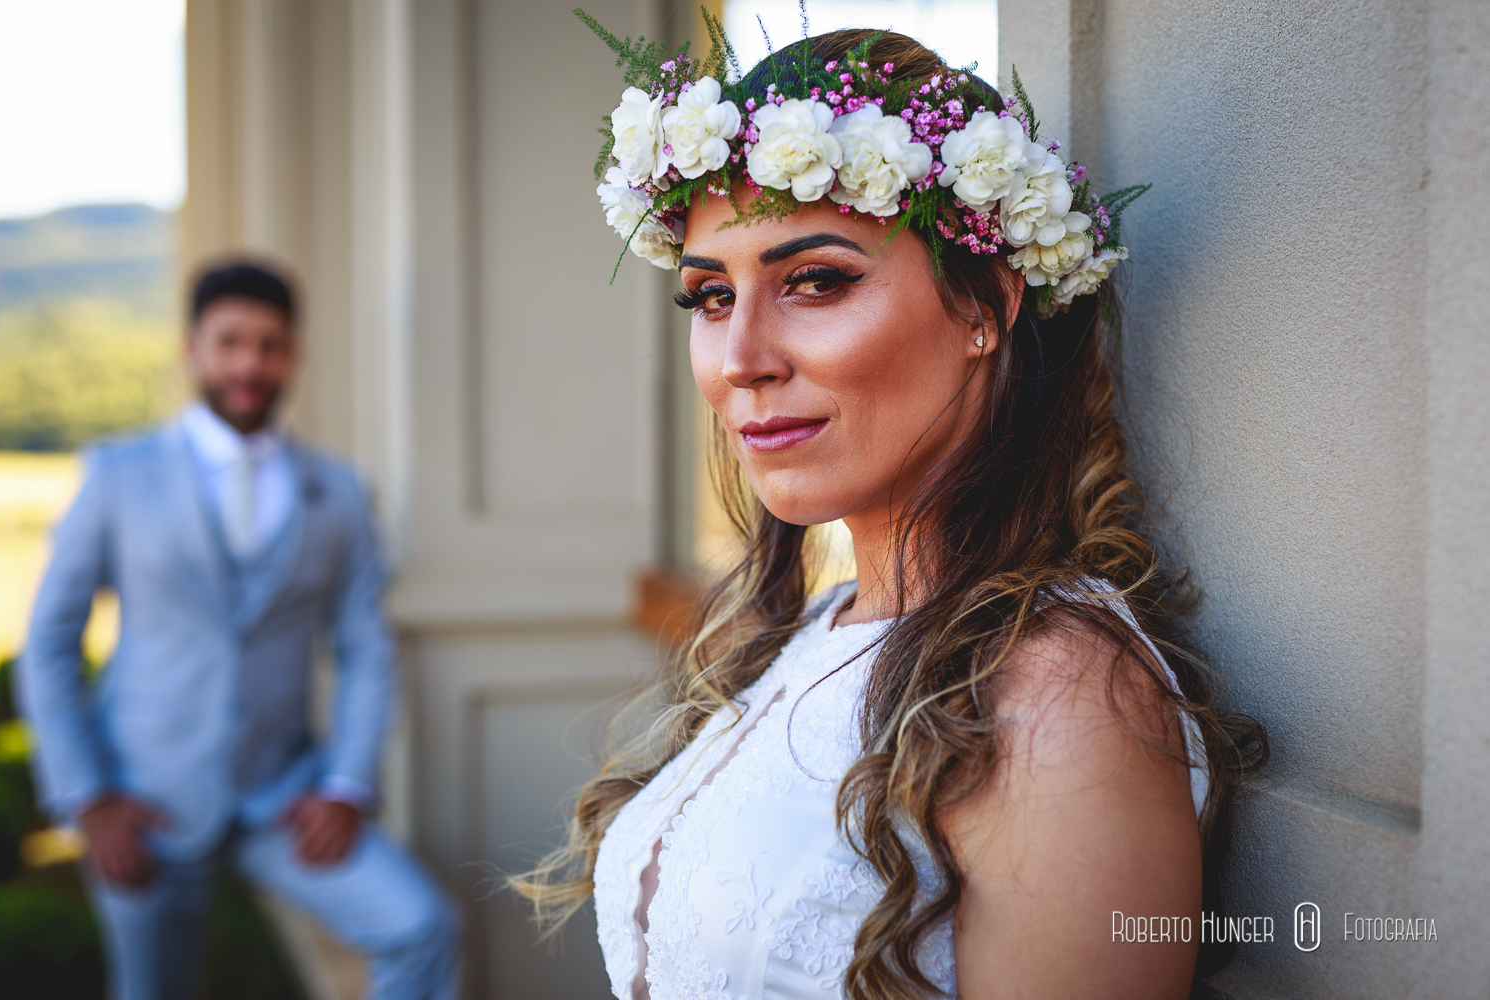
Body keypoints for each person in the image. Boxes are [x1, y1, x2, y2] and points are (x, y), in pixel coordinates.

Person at [516, 26, 1266, 1000]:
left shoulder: (1055, 692)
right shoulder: (817, 630)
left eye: (816, 280)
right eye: (708, 294)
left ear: (984, 305)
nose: (743, 355)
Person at [18, 261, 459, 1000]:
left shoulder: (338, 493)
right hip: (142, 801)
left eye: (270, 345)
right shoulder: (117, 475)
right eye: (229, 343)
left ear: (293, 356)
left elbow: (363, 647)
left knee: (422, 925)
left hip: (280, 798)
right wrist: (87, 800)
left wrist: (347, 784)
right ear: (193, 349)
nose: (249, 363)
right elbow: (50, 642)